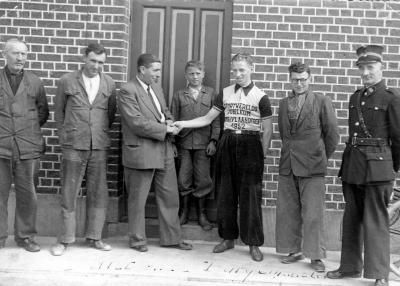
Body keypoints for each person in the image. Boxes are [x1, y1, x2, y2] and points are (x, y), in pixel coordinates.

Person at [174, 52, 273, 261]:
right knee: (226, 193)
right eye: (235, 70)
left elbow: (268, 129)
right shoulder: (226, 93)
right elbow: (208, 118)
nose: (237, 74)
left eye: (242, 70)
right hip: (227, 142)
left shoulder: (260, 96)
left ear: (251, 69)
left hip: (250, 144)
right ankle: (228, 238)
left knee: (250, 197)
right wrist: (184, 123)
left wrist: (260, 156)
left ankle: (253, 242)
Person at [326, 45, 400, 286]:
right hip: (354, 165)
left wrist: (394, 170)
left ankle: (380, 274)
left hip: (379, 167)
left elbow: (398, 138)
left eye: (370, 67)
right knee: (352, 217)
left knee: (376, 220)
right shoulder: (355, 97)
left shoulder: (392, 98)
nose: (366, 72)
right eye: (362, 67)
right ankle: (349, 267)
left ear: (381, 67)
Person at [117, 53, 192, 252]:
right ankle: (137, 240)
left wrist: (169, 121)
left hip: (164, 149)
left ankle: (172, 238)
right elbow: (136, 122)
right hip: (141, 150)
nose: (159, 74)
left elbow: (164, 111)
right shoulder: (127, 90)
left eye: (159, 70)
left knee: (170, 196)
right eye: (155, 70)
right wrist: (165, 129)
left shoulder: (156, 88)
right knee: (138, 199)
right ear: (142, 69)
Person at [51, 43, 117, 256]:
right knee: (69, 192)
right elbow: (59, 113)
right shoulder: (66, 81)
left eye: (100, 62)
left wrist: (100, 134)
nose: (96, 66)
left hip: (98, 145)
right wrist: (65, 136)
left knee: (98, 193)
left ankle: (94, 237)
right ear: (84, 58)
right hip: (73, 144)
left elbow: (111, 114)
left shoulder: (109, 83)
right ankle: (65, 240)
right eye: (93, 61)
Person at [275, 62, 339, 272]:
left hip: (313, 167)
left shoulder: (321, 101)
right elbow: (285, 135)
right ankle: (294, 249)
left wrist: (320, 157)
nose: (299, 83)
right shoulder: (284, 103)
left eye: (303, 79)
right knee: (288, 211)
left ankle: (315, 255)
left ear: (309, 78)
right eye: (295, 80)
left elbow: (332, 136)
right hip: (288, 164)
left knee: (313, 213)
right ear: (290, 80)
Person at [0, 38, 49, 252]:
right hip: (1, 146)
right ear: (5, 55)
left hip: (27, 146)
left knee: (27, 194)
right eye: (16, 53)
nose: (21, 58)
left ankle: (25, 236)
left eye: (24, 54)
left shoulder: (35, 81)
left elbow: (43, 112)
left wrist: (25, 130)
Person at [170, 60, 220, 231]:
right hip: (183, 144)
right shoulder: (179, 95)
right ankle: (183, 212)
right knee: (183, 178)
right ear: (186, 76)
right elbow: (173, 120)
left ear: (203, 75)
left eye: (198, 73)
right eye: (191, 74)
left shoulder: (211, 94)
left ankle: (202, 214)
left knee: (203, 179)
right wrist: (172, 143)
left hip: (204, 144)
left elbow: (216, 120)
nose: (195, 77)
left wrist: (214, 140)